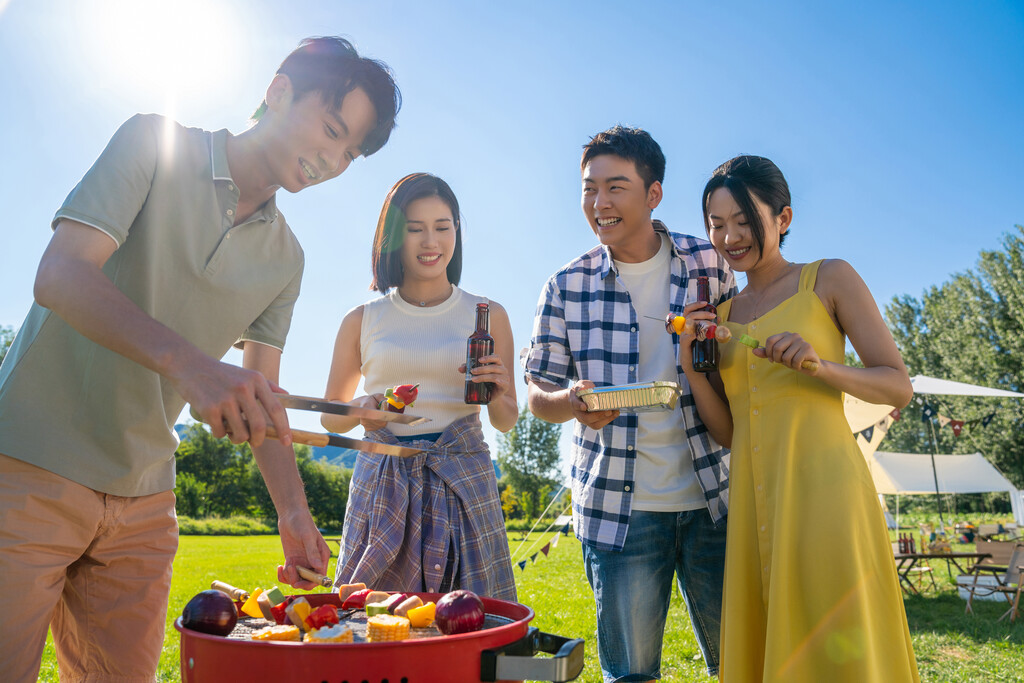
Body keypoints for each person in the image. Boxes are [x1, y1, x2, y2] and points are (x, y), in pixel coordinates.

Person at [0, 37, 401, 682]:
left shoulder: (286, 259)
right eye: (332, 130)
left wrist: (294, 514)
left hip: (143, 503)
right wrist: (194, 368)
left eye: (351, 152)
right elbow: (61, 274)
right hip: (28, 467)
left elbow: (261, 391)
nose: (336, 160)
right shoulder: (152, 143)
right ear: (277, 92)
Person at [684, 155, 918, 681]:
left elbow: (896, 385)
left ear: (783, 218)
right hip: (752, 504)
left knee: (839, 644)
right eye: (717, 224)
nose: (730, 237)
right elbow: (728, 434)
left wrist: (822, 366)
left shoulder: (828, 278)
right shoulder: (722, 317)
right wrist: (693, 372)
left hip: (826, 494)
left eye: (744, 220)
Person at [522, 125, 736, 681]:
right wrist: (570, 402)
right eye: (590, 189)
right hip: (620, 512)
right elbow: (537, 396)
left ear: (654, 193)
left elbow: (742, 364)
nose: (600, 203)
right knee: (632, 675)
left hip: (717, 496)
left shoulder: (708, 264)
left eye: (616, 187)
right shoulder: (566, 285)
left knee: (744, 662)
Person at [322, 173, 517, 600]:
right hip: (384, 477)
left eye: (442, 227)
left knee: (473, 617)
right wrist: (364, 407)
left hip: (463, 475)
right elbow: (330, 416)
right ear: (393, 236)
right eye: (415, 229)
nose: (431, 242)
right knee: (370, 618)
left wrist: (499, 393)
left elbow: (505, 421)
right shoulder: (362, 319)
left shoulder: (488, 315)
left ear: (457, 232)